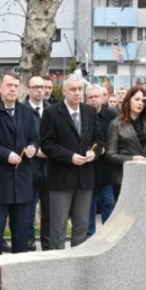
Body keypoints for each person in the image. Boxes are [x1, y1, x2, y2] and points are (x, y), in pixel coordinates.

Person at [0, 71, 39, 255]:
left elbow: (34, 138)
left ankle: (17, 269)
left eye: (16, 86)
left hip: (21, 181)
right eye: (9, 85)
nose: (13, 89)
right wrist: (5, 154)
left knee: (21, 235)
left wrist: (33, 148)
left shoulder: (26, 111)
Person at [41, 75, 99, 249]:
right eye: (73, 89)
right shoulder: (51, 113)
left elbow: (98, 139)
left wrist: (94, 152)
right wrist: (70, 157)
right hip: (61, 179)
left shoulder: (89, 112)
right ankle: (57, 262)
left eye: (80, 89)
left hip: (85, 178)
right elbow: (47, 145)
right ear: (64, 91)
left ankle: (77, 262)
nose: (77, 93)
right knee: (58, 228)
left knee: (81, 226)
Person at [85, 84, 118, 237]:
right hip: (88, 167)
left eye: (96, 97)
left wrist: (105, 148)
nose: (94, 100)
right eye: (90, 97)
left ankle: (108, 235)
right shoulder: (83, 114)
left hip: (106, 167)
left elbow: (117, 136)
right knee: (89, 204)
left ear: (103, 98)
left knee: (108, 201)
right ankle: (89, 235)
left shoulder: (112, 115)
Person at [106, 85, 146, 189]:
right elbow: (110, 154)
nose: (140, 103)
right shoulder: (116, 124)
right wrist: (132, 158)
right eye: (137, 99)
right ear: (128, 100)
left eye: (143, 100)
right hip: (124, 177)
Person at [25, 75, 51, 251]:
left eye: (43, 87)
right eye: (36, 87)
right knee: (29, 207)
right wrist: (35, 150)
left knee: (48, 209)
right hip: (30, 167)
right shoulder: (22, 110)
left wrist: (50, 151)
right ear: (29, 89)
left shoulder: (51, 109)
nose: (40, 90)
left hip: (49, 167)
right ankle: (29, 239)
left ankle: (47, 242)